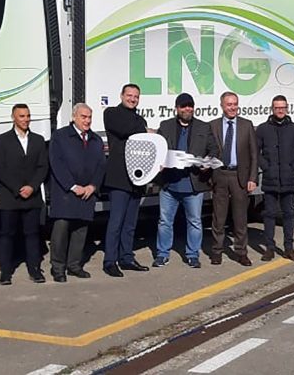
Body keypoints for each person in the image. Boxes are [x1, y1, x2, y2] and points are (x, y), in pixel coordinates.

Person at [153, 92, 219, 269]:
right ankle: (162, 254)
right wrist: (159, 163)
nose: (187, 109)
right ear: (177, 108)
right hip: (169, 185)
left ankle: (192, 255)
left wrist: (208, 162)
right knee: (164, 222)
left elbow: (214, 149)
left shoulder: (203, 127)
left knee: (195, 222)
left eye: (190, 106)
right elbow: (157, 149)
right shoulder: (165, 126)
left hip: (193, 184)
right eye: (183, 106)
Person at [48, 103, 106, 282]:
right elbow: (57, 164)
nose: (87, 121)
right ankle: (58, 268)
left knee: (80, 231)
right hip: (65, 193)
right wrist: (72, 186)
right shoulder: (60, 136)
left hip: (87, 192)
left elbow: (101, 166)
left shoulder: (96, 140)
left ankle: (74, 265)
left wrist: (92, 186)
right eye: (83, 117)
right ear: (74, 117)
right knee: (61, 231)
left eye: (89, 117)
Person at [0, 104, 49, 285]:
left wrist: (32, 187)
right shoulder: (2, 140)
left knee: (32, 234)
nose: (26, 119)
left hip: (32, 196)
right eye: (22, 116)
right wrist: (18, 188)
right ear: (13, 118)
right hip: (10, 196)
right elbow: (0, 169)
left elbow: (43, 167)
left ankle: (34, 269)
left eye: (28, 116)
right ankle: (5, 272)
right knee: (6, 235)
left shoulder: (38, 140)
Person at [102, 84, 150, 277]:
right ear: (121, 95)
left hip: (136, 178)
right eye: (129, 95)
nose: (132, 99)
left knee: (130, 224)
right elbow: (124, 130)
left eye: (136, 96)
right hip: (119, 177)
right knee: (116, 222)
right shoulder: (111, 113)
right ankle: (110, 261)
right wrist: (145, 130)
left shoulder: (140, 119)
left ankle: (127, 258)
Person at [256, 95, 294, 262]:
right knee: (269, 214)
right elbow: (255, 151)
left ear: (287, 108)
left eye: (283, 107)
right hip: (270, 178)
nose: (280, 110)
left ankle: (289, 248)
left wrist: (293, 167)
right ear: (272, 109)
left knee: (289, 214)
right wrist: (266, 167)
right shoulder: (263, 129)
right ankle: (269, 248)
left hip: (289, 178)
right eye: (277, 107)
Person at [209, 91, 258, 266]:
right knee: (218, 217)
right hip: (220, 175)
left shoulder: (246, 125)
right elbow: (208, 150)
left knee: (240, 217)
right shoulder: (213, 126)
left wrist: (253, 178)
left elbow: (254, 154)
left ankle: (241, 252)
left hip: (240, 176)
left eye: (235, 104)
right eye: (229, 104)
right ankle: (217, 251)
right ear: (222, 106)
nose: (233, 108)